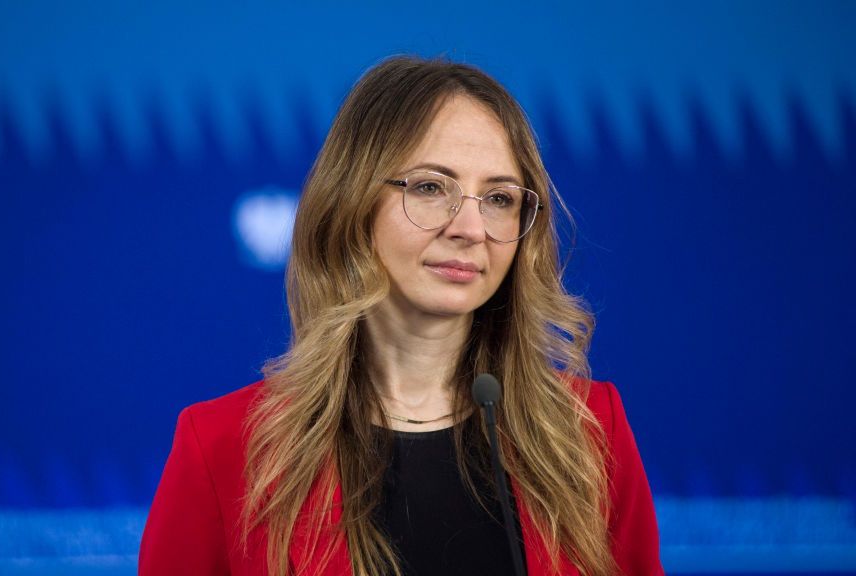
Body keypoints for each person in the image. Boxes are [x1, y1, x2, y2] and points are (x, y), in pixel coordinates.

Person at [139, 55, 663, 575]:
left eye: (499, 198)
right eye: (432, 187)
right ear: (352, 201)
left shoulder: (590, 431)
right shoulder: (220, 447)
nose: (472, 228)